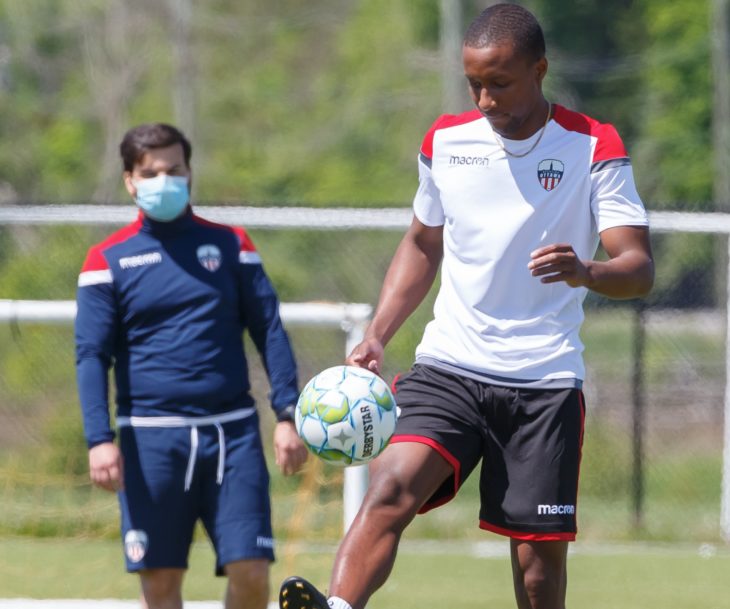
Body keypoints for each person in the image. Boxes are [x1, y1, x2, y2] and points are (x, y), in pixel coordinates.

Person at [278, 4, 653, 609]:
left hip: (543, 380)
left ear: (540, 69)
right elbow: (424, 242)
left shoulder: (593, 145)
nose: (483, 99)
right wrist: (378, 331)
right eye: (473, 83)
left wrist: (587, 271)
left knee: (537, 570)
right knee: (391, 486)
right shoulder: (446, 140)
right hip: (450, 363)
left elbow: (637, 268)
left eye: (499, 83)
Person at [75, 122, 308, 609]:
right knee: (159, 587)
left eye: (174, 169)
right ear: (130, 180)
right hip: (149, 439)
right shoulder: (106, 259)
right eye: (151, 172)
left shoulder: (231, 246)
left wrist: (288, 414)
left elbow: (268, 328)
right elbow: (91, 355)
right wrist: (100, 439)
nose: (165, 180)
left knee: (251, 573)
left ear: (189, 172)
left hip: (233, 436)